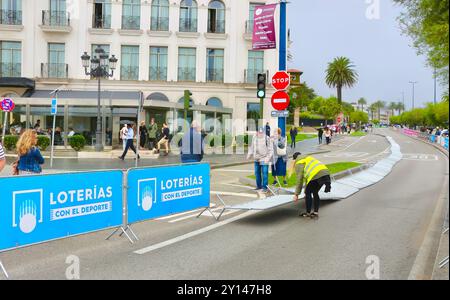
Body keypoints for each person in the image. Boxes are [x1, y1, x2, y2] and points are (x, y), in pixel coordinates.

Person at [290, 152, 331, 218]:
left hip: (316, 175)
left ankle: (308, 213)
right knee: (315, 192)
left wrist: (296, 194)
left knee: (308, 192)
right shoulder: (308, 158)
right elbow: (308, 179)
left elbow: (299, 179)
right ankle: (315, 212)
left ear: (295, 159)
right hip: (325, 173)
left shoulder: (299, 162)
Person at [247, 126, 273, 192]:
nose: (260, 134)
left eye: (261, 132)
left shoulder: (267, 138)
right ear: (257, 132)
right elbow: (252, 147)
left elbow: (271, 150)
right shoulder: (254, 137)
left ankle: (265, 188)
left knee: (264, 173)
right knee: (257, 173)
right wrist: (249, 154)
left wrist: (268, 158)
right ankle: (259, 186)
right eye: (259, 132)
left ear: (263, 132)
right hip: (256, 158)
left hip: (264, 158)